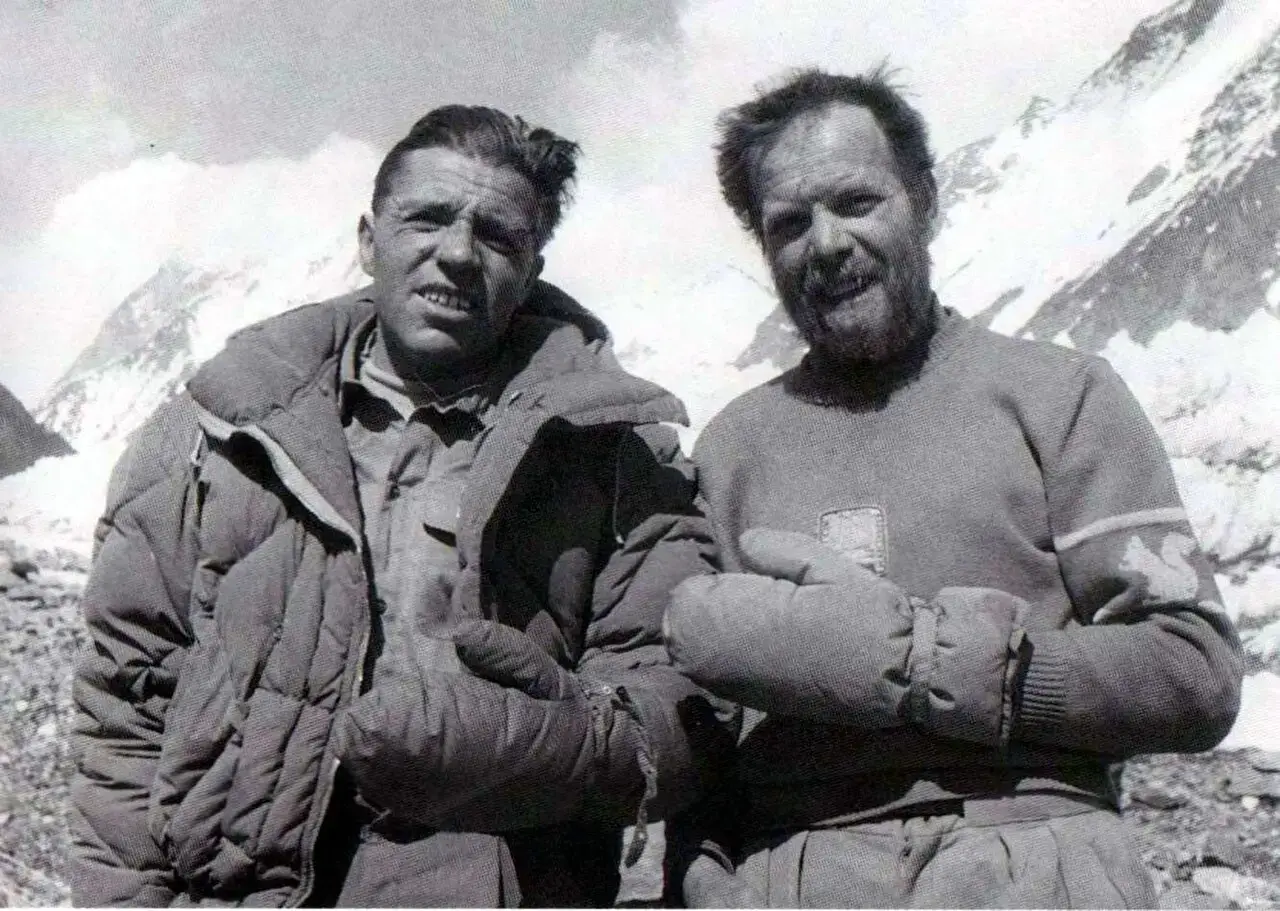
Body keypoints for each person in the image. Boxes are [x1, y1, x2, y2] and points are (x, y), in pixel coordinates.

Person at [69, 105, 734, 908]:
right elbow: (126, 697)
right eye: (427, 218)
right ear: (366, 239)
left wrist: (566, 734)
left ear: (532, 271)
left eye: (497, 236)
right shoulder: (219, 429)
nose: (457, 253)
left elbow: (683, 713)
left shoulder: (621, 455)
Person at [663, 67, 1244, 908]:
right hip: (794, 870)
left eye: (856, 202)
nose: (825, 241)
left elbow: (1195, 672)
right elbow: (701, 723)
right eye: (789, 222)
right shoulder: (730, 448)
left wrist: (931, 659)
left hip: (1030, 859)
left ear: (924, 199)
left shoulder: (1061, 394)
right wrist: (703, 863)